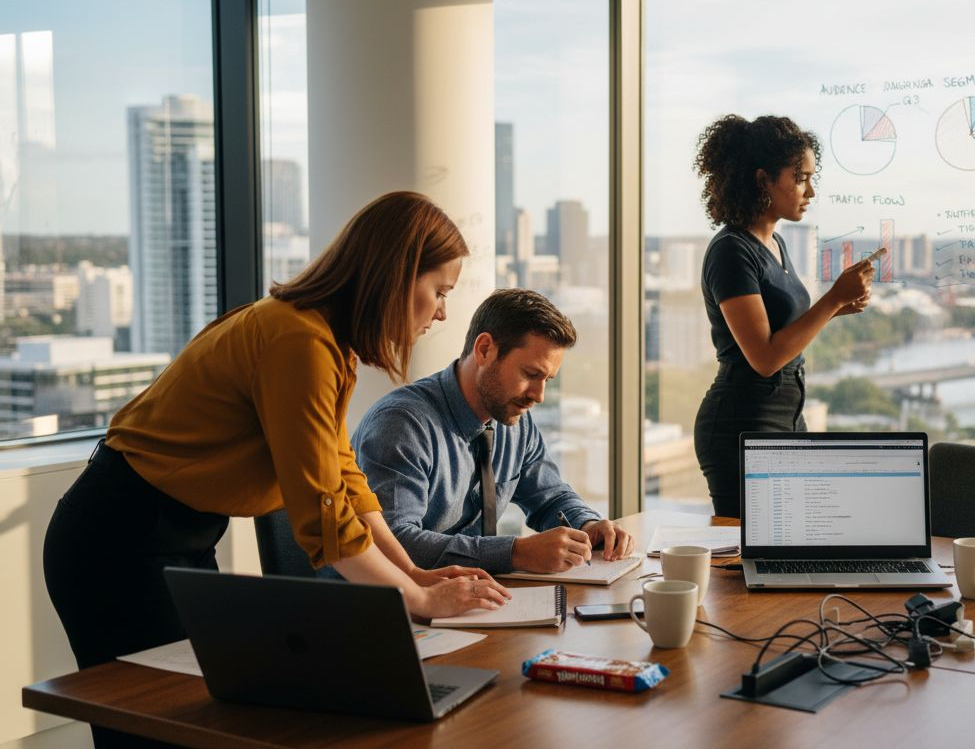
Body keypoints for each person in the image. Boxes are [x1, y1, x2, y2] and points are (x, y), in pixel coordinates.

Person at [43, 192, 513, 735]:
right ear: (396, 275)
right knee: (158, 727)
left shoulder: (326, 341)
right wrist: (417, 597)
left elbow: (345, 480)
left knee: (201, 718)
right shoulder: (299, 341)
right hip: (117, 537)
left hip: (176, 533)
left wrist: (413, 573)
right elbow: (323, 518)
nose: (442, 312)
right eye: (440, 291)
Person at [351, 288, 634, 574]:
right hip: (381, 599)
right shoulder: (402, 425)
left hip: (469, 594)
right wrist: (516, 553)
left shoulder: (515, 420)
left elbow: (551, 497)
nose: (538, 396)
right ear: (485, 349)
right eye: (531, 374)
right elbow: (395, 543)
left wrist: (587, 524)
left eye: (547, 379)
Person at [692, 114, 875, 517]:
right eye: (800, 178)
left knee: (794, 538)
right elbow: (764, 357)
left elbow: (779, 330)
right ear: (763, 180)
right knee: (747, 549)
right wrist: (831, 300)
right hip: (742, 425)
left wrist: (838, 308)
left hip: (786, 418)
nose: (811, 191)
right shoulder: (731, 251)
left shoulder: (774, 243)